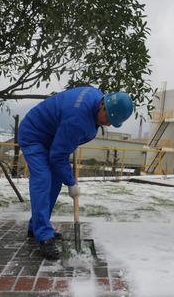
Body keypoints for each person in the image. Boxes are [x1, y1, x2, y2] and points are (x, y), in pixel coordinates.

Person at [18, 86, 133, 260]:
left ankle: (36, 227)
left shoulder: (95, 96)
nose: (109, 124)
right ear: (104, 105)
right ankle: (43, 237)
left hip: (53, 136)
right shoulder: (78, 120)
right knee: (43, 179)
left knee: (55, 181)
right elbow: (58, 156)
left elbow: (60, 150)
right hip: (34, 135)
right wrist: (71, 183)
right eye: (109, 118)